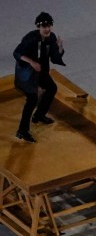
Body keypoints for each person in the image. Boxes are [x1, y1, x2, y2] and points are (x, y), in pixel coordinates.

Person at [12, 12, 66, 143]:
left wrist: (60, 47)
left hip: (41, 71)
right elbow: (17, 53)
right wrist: (31, 62)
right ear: (39, 27)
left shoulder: (51, 38)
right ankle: (22, 130)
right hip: (29, 74)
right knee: (32, 99)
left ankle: (39, 115)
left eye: (49, 26)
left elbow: (54, 58)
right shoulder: (30, 38)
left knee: (52, 88)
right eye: (44, 26)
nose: (47, 29)